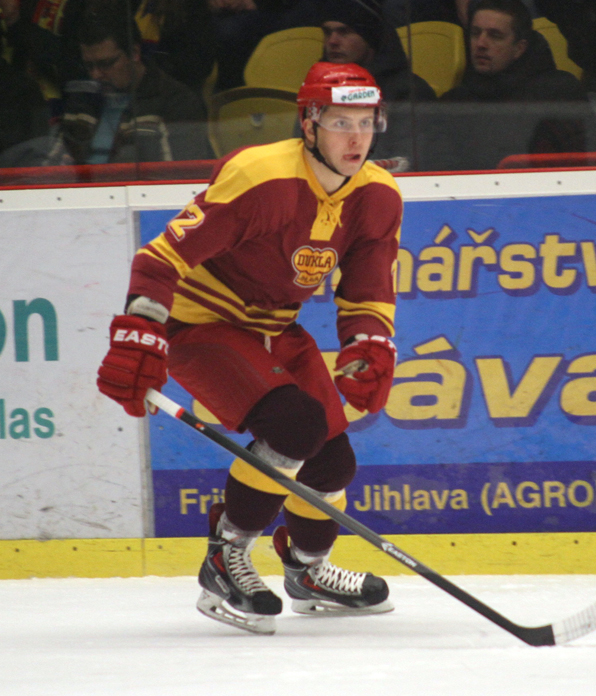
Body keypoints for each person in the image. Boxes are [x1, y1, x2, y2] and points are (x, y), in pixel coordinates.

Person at [96, 62, 403, 635]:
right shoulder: (261, 176)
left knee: (332, 461)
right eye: (341, 122)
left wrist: (369, 344)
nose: (357, 137)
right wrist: (141, 329)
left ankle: (307, 571)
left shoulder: (378, 195)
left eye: (367, 121)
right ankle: (225, 557)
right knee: (294, 425)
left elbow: (367, 289)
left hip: (275, 326)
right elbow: (161, 259)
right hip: (200, 322)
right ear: (309, 123)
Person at [428, 0, 596, 170]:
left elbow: (593, 162)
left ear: (519, 48)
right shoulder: (454, 103)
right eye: (475, 33)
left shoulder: (558, 93)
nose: (480, 44)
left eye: (495, 36)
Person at [47, 0, 211, 165]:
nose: (96, 75)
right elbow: (51, 164)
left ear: (134, 52)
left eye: (106, 64)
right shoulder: (82, 99)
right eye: (89, 66)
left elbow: (180, 174)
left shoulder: (176, 102)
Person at [319, 0, 436, 171]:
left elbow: (408, 163)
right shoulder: (317, 89)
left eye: (345, 32)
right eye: (327, 33)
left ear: (370, 38)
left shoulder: (410, 91)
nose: (332, 41)